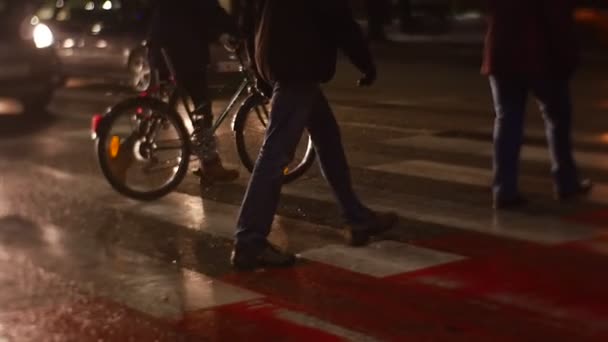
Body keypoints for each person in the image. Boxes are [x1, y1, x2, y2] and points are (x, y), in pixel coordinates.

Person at [233, 0, 398, 270]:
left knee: (327, 136)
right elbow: (338, 18)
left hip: (280, 59)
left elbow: (248, 17)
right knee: (276, 154)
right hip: (299, 62)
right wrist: (365, 63)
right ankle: (249, 239)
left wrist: (259, 68)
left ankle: (355, 216)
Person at [110, 0, 239, 184]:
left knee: (164, 107)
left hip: (167, 46)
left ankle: (122, 154)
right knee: (201, 106)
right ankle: (210, 165)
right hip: (183, 48)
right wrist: (235, 30)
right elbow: (206, 8)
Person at [482, 0, 592, 209]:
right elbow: (557, 19)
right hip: (540, 56)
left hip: (502, 53)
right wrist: (569, 59)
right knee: (558, 117)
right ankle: (566, 182)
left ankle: (504, 190)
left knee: (507, 121)